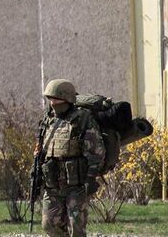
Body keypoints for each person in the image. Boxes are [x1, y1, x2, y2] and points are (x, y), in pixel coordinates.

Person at [35, 79, 104, 237]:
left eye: (56, 99)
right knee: (49, 225)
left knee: (76, 228)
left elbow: (96, 152)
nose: (52, 103)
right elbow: (42, 150)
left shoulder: (82, 119)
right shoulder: (48, 120)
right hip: (52, 184)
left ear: (67, 100)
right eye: (50, 99)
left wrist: (90, 178)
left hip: (76, 185)